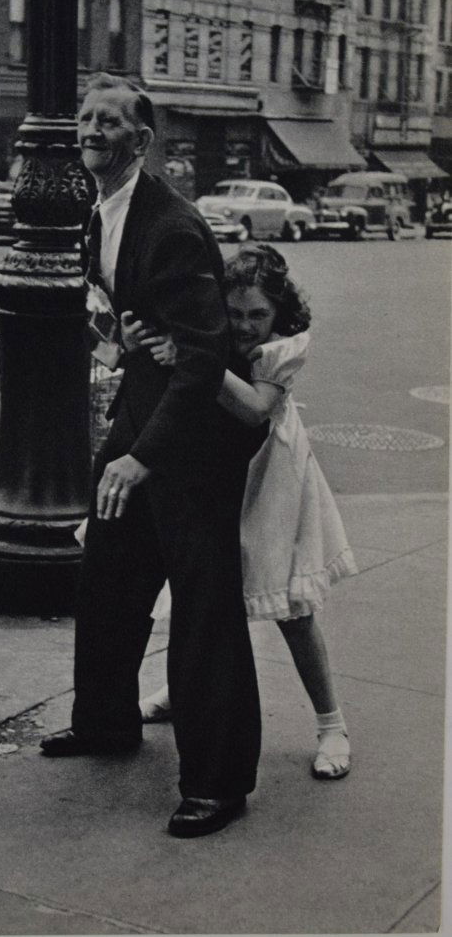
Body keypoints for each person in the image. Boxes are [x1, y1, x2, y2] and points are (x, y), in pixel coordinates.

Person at [40, 73, 264, 839]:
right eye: (85, 118)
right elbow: (127, 318)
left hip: (192, 445)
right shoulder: (101, 212)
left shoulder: (169, 225)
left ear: (141, 141)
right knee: (108, 573)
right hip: (143, 414)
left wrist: (140, 460)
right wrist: (124, 342)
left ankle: (219, 783)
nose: (91, 130)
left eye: (109, 122)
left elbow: (204, 358)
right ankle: (104, 722)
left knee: (203, 611)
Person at [128, 245, 357, 781]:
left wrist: (195, 356)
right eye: (235, 315)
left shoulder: (283, 350)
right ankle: (180, 690)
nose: (247, 325)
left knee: (291, 608)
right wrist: (137, 343)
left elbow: (255, 409)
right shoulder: (207, 331)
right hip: (217, 473)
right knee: (200, 589)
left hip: (272, 479)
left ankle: (332, 724)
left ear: (278, 314)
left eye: (259, 314)